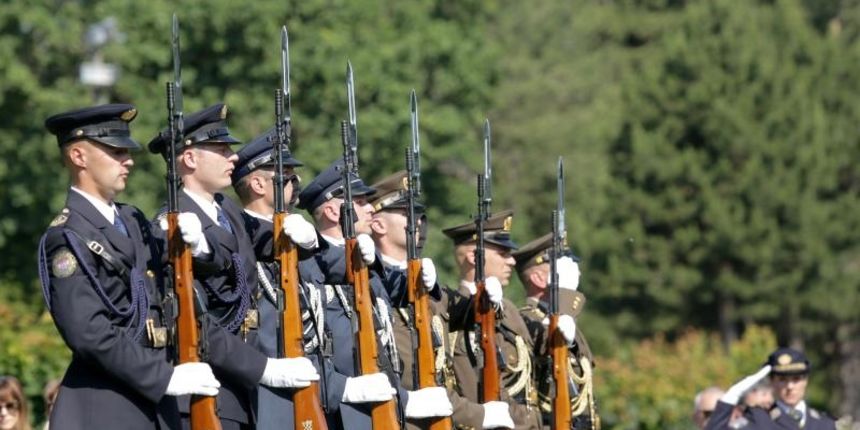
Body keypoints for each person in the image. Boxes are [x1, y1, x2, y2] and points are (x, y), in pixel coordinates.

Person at [38, 104, 222, 430]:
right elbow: (89, 334)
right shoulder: (68, 237)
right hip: (105, 404)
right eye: (116, 151)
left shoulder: (132, 219)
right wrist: (163, 377)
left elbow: (185, 272)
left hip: (152, 402)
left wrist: (200, 245)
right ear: (79, 157)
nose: (129, 160)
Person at [148, 103, 320, 430]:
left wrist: (309, 240)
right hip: (206, 380)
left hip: (240, 386)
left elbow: (264, 242)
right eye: (222, 149)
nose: (233, 158)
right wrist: (262, 368)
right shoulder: (168, 225)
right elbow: (195, 314)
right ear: (189, 158)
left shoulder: (227, 210)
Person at [297, 160, 452, 429]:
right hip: (338, 415)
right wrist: (342, 389)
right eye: (359, 201)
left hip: (383, 412)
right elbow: (306, 350)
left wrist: (423, 278)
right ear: (334, 211)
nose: (371, 208)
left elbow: (398, 289)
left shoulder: (370, 269)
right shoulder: (308, 266)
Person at [367, 171, 508, 429]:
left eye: (419, 215)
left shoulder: (433, 288)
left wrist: (489, 300)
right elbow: (409, 370)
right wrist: (476, 414)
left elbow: (469, 316)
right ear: (378, 225)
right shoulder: (370, 287)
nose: (418, 222)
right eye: (406, 214)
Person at [443, 210, 534, 429]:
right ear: (475, 257)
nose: (512, 261)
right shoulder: (450, 309)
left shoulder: (510, 311)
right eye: (503, 253)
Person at [513, 233, 598, 428]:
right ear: (539, 278)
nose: (575, 274)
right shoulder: (525, 320)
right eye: (561, 268)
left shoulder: (567, 322)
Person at [766, 348, 835, 430]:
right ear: (772, 382)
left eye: (796, 379)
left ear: (806, 381)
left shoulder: (825, 423)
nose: (790, 386)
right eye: (782, 380)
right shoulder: (761, 421)